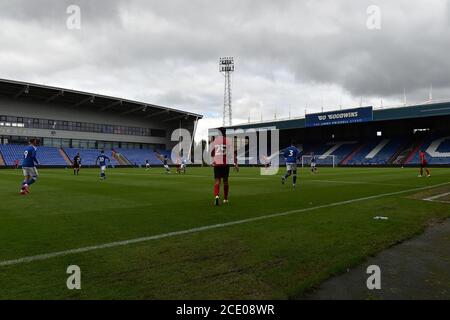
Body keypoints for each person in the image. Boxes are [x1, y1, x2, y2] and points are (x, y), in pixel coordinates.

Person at [211, 127, 238, 206]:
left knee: (217, 181)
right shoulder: (228, 141)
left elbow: (212, 153)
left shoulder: (215, 141)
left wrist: (213, 160)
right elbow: (232, 153)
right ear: (225, 132)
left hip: (217, 164)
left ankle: (216, 197)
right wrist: (235, 163)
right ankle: (225, 199)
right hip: (225, 164)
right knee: (225, 181)